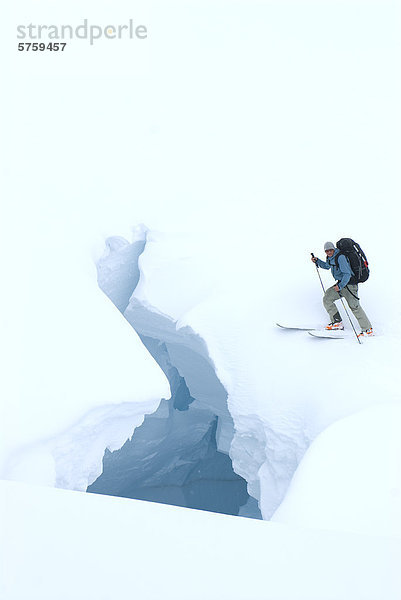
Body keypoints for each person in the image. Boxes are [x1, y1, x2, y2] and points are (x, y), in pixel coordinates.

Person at [311, 241, 373, 336]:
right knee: (327, 298)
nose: (329, 252)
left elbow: (347, 274)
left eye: (330, 250)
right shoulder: (330, 258)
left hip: (350, 285)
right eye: (327, 251)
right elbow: (327, 266)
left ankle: (367, 330)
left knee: (354, 307)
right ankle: (337, 322)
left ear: (334, 249)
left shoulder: (341, 257)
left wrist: (339, 286)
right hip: (341, 284)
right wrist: (317, 261)